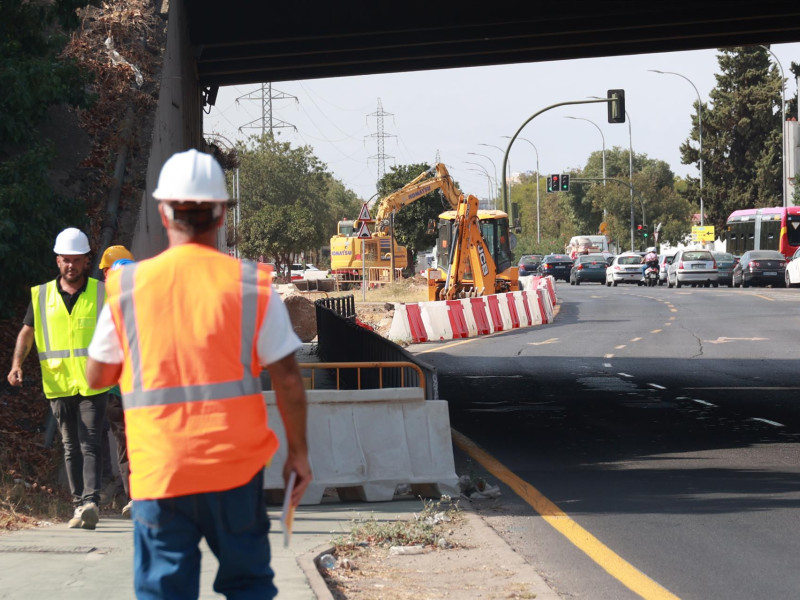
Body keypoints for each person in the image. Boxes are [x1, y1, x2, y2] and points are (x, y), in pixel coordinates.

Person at [86, 148, 312, 599]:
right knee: (248, 585)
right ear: (223, 212)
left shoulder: (127, 287)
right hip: (234, 472)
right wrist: (298, 454)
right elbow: (288, 378)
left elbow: (97, 375)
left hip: (160, 472)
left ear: (164, 212)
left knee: (164, 592)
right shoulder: (252, 286)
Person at [7, 227, 110, 530]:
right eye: (66, 260)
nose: (71, 265)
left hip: (94, 381)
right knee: (70, 445)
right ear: (57, 261)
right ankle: (78, 505)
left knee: (90, 441)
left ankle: (91, 501)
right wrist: (16, 364)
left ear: (86, 261)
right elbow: (27, 333)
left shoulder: (102, 292)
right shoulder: (40, 296)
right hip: (58, 382)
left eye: (77, 260)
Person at [98, 246, 136, 518]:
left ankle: (136, 497)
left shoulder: (104, 303)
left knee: (125, 444)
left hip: (118, 390)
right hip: (136, 390)